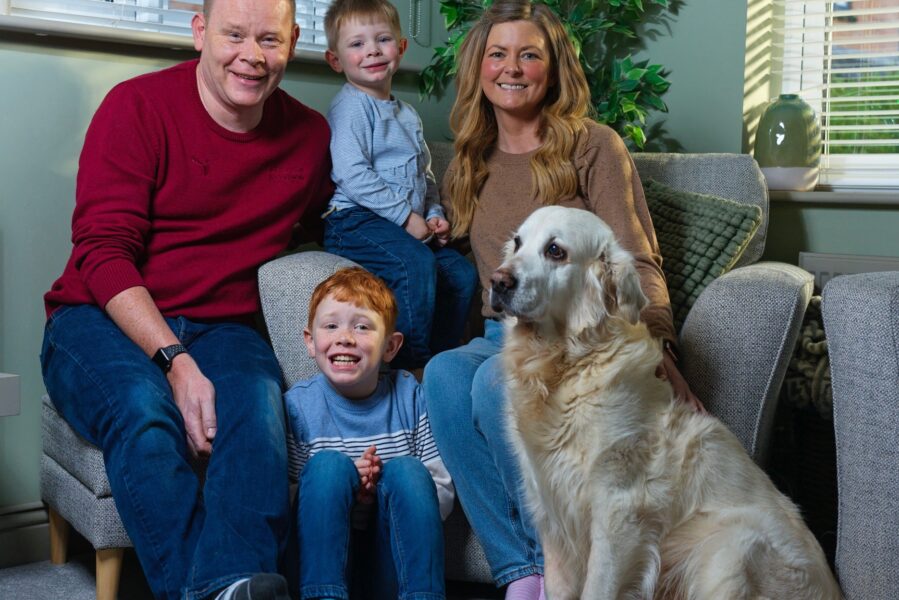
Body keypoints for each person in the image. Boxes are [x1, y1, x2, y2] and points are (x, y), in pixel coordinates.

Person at [38, 0, 333, 598]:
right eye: (234, 36)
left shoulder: (309, 136)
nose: (252, 56)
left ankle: (232, 585)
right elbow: (102, 253)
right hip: (97, 317)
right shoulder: (136, 106)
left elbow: (324, 224)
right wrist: (175, 361)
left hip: (224, 325)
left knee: (255, 411)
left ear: (294, 40)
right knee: (143, 412)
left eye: (270, 40)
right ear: (200, 34)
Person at [422, 1, 703, 598]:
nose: (512, 67)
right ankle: (521, 573)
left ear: (554, 70)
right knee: (446, 375)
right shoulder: (466, 161)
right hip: (505, 335)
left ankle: (558, 570)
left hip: (581, 339)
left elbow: (635, 256)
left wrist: (660, 353)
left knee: (489, 387)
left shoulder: (594, 147)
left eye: (530, 54)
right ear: (478, 68)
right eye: (497, 54)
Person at [320, 0, 478, 370]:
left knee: (460, 272)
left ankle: (443, 362)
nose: (372, 50)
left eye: (382, 39)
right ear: (336, 60)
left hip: (405, 222)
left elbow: (425, 176)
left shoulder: (408, 114)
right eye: (357, 44)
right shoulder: (351, 107)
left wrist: (434, 214)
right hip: (354, 222)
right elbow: (351, 173)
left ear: (401, 48)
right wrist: (407, 219)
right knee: (414, 263)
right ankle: (410, 365)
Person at [285, 267, 453, 599]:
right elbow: (285, 502)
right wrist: (348, 483)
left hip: (392, 561)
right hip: (322, 565)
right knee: (329, 468)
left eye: (362, 327)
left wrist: (381, 491)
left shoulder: (409, 394)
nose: (344, 337)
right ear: (310, 341)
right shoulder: (298, 406)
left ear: (390, 347)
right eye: (331, 326)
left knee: (407, 471)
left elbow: (442, 492)